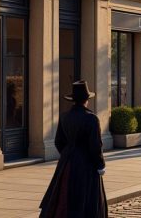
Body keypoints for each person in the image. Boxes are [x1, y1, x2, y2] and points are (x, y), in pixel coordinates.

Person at [40, 81, 107, 218]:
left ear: (73, 99)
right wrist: (100, 165)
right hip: (85, 164)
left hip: (67, 162)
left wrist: (67, 154)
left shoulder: (65, 116)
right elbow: (95, 146)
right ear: (87, 100)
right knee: (85, 198)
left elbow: (59, 141)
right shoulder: (91, 118)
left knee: (63, 195)